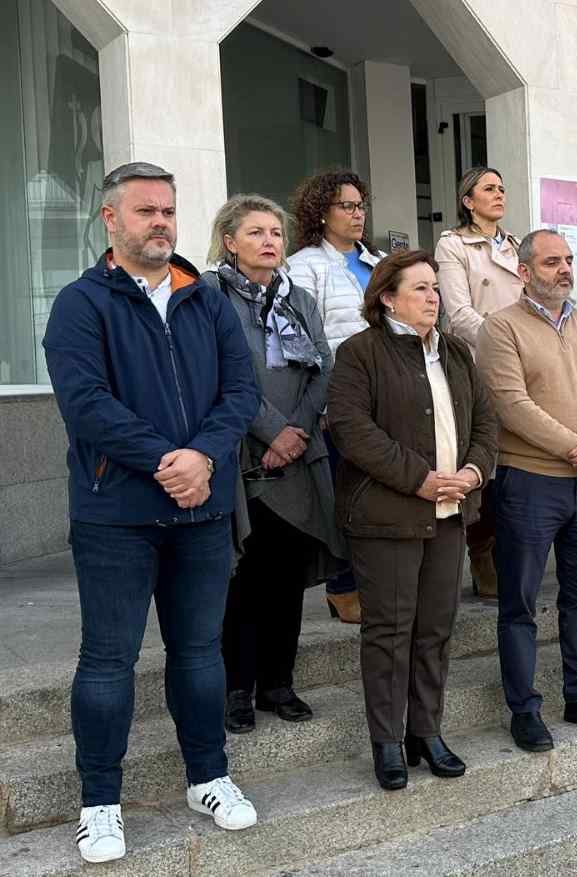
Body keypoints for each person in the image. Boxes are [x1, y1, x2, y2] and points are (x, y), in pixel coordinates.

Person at [43, 161, 260, 864]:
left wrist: (204, 458)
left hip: (200, 511)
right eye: (145, 211)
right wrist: (172, 461)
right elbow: (86, 404)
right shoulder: (82, 303)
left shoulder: (206, 298)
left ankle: (209, 775)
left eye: (168, 210)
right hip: (116, 513)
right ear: (111, 219)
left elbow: (241, 391)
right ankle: (99, 802)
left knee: (199, 652)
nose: (161, 222)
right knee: (108, 660)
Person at [326, 249, 498, 790]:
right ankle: (387, 740)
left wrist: (473, 471)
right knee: (390, 631)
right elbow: (352, 430)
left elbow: (486, 420)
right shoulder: (360, 353)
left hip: (450, 513)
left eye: (435, 288)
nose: (433, 297)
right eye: (419, 288)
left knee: (435, 629)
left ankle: (427, 731)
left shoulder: (453, 352)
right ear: (387, 298)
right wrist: (420, 477)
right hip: (387, 517)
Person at [478, 229, 577, 751]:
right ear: (524, 272)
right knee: (520, 601)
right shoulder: (500, 329)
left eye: (568, 260)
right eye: (552, 262)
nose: (565, 269)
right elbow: (511, 405)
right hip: (530, 484)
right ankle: (523, 708)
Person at [202, 195, 345, 734]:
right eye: (256, 232)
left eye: (276, 233)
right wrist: (270, 431)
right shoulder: (212, 296)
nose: (269, 241)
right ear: (230, 241)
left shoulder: (298, 298)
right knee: (244, 578)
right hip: (241, 453)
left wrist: (297, 431)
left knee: (285, 575)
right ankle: (237, 687)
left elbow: (324, 368)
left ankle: (278, 684)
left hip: (298, 455)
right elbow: (221, 373)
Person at [288, 170, 385, 624]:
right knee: (345, 497)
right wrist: (324, 404)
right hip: (339, 402)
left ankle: (373, 580)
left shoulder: (379, 262)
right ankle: (343, 586)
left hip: (386, 399)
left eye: (360, 204)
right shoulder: (304, 265)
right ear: (321, 213)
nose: (357, 213)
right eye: (346, 205)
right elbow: (309, 341)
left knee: (378, 495)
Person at [434, 166, 524, 599]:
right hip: (477, 362)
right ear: (468, 200)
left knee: (518, 459)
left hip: (524, 363)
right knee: (483, 459)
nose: (499, 194)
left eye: (502, 188)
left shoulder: (517, 246)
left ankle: (511, 549)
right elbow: (457, 311)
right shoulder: (453, 245)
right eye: (489, 188)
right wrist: (505, 341)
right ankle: (482, 552)